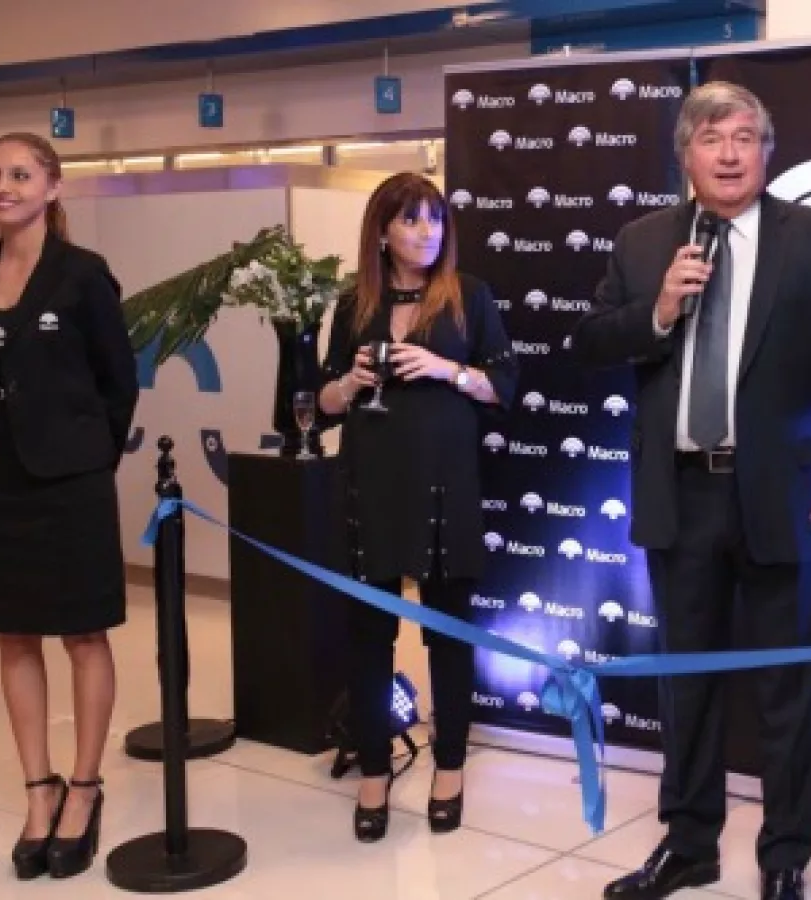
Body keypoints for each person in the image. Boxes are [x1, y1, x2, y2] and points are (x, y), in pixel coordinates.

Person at [569, 81, 811, 900]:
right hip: (682, 497)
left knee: (790, 691)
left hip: (788, 498)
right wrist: (658, 310)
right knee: (689, 686)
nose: (730, 153)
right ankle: (690, 844)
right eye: (712, 138)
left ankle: (785, 856)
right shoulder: (643, 241)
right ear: (686, 153)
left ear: (766, 151)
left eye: (745, 137)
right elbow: (592, 340)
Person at [0, 132, 138, 880]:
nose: (3, 185)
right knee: (13, 635)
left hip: (72, 482)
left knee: (84, 634)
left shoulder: (83, 274)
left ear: (52, 187)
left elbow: (119, 381)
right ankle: (39, 790)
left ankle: (84, 787)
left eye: (20, 174)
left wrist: (89, 456)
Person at [317, 172, 517, 843]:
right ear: (381, 232)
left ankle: (450, 766)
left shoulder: (469, 297)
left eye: (434, 219)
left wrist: (445, 370)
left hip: (445, 487)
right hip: (369, 487)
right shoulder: (355, 304)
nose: (426, 232)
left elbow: (504, 386)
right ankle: (373, 771)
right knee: (368, 637)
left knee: (448, 636)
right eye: (410, 220)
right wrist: (349, 382)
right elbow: (322, 402)